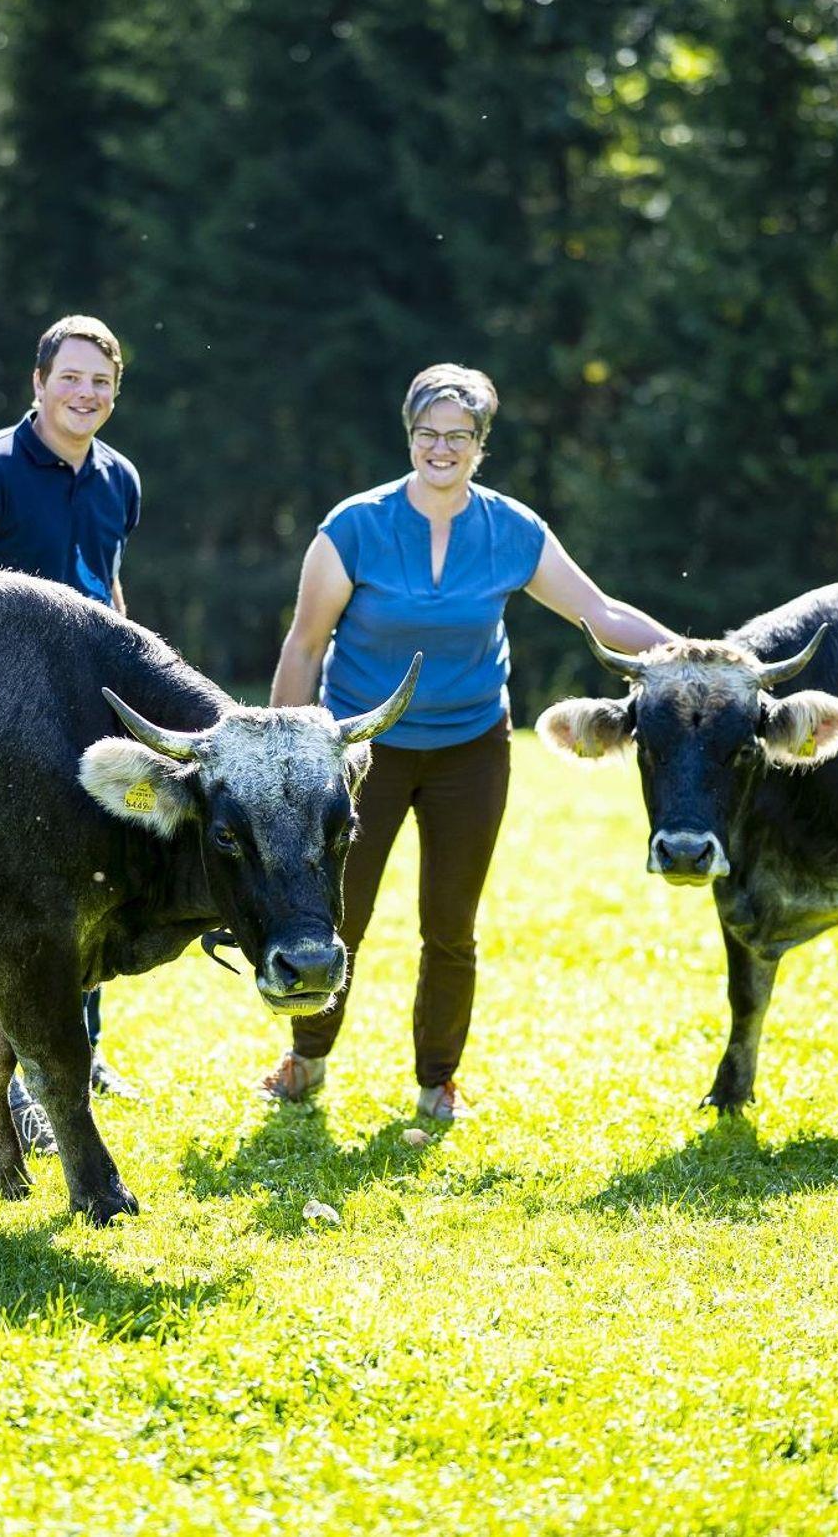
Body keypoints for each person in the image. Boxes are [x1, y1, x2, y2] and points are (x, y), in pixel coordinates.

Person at [262, 363, 678, 1120]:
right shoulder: (353, 528)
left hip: (471, 749)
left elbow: (599, 612)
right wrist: (284, 760)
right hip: (361, 754)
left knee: (451, 926)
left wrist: (689, 656)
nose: (441, 448)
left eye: (459, 436)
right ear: (409, 436)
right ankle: (307, 1057)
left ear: (482, 445)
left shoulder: (512, 530)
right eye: (428, 433)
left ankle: (437, 1080)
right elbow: (305, 645)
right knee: (339, 914)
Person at [0, 315, 142, 1150]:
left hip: (90, 721)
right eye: (71, 378)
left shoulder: (120, 479)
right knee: (14, 904)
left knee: (93, 884)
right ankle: (9, 1079)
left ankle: (82, 1054)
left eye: (101, 383)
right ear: (38, 382)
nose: (85, 394)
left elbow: (109, 588)